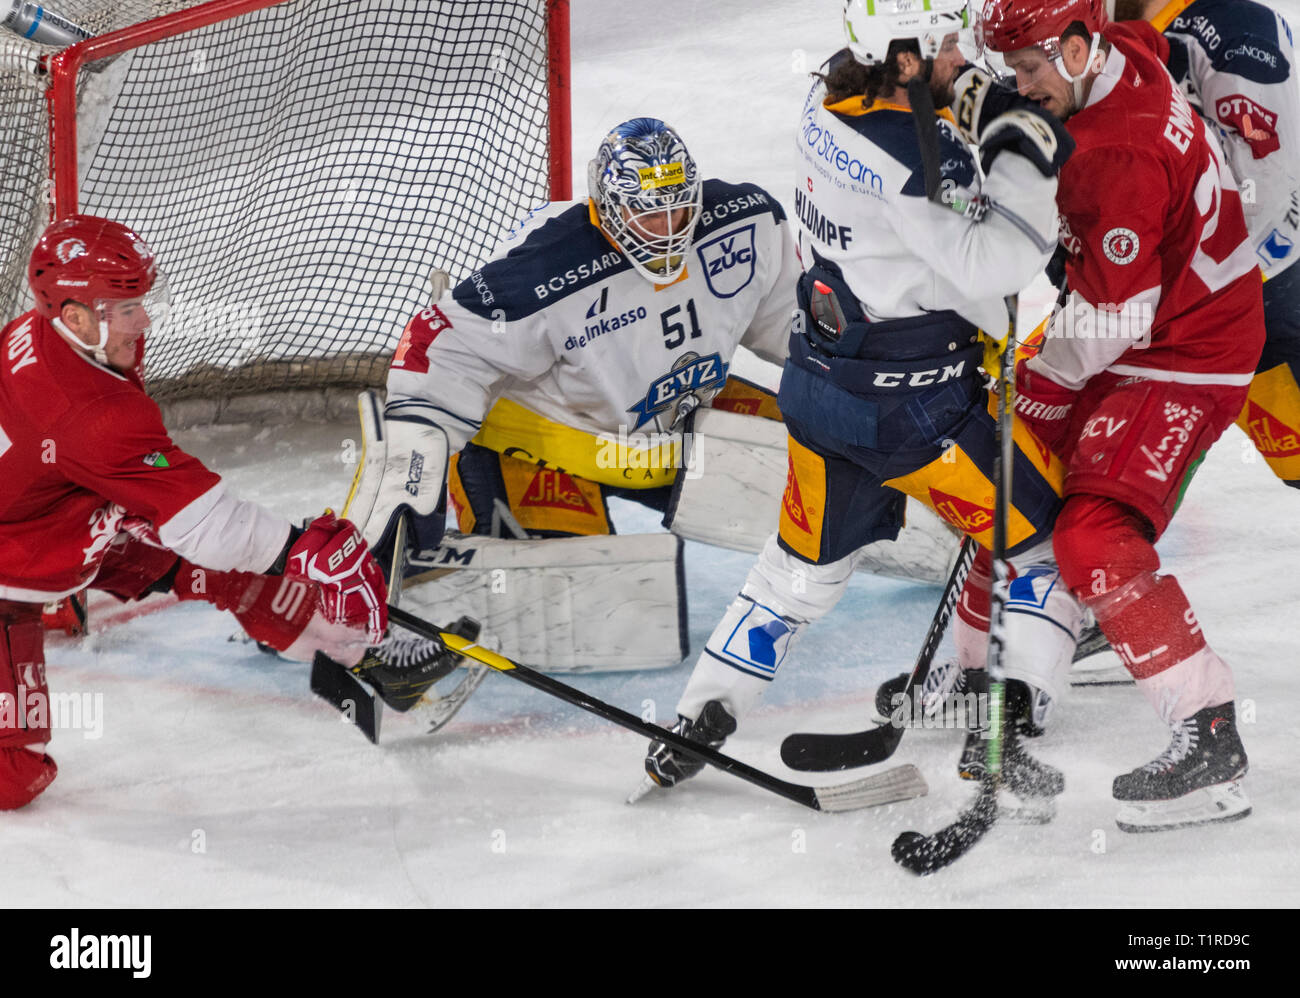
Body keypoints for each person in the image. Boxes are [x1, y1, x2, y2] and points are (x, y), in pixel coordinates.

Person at [638, 0, 1078, 801]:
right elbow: (996, 263)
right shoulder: (918, 159)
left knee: (794, 576)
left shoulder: (823, 103)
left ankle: (697, 715)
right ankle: (1004, 727)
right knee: (1047, 546)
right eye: (944, 46)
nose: (960, 57)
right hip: (918, 420)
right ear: (901, 58)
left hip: (817, 394)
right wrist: (1026, 158)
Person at [346, 118, 808, 670]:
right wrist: (413, 467)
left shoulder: (745, 222)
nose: (665, 230)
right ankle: (324, 593)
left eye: (676, 208)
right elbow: (436, 345)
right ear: (608, 207)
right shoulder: (547, 266)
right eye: (646, 212)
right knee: (612, 615)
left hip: (678, 429)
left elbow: (793, 325)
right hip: (547, 448)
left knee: (834, 451)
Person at [978, 0, 1265, 829]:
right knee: (1010, 460)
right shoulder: (1124, 52)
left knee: (1091, 532)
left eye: (1030, 70)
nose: (1020, 87)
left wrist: (1042, 384)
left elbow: (1113, 316)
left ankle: (1209, 734)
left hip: (1186, 350)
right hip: (1148, 314)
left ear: (1076, 48)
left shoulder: (1119, 152)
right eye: (1012, 71)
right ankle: (1016, 677)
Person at [0, 214, 390, 810]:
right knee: (12, 780)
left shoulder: (52, 331)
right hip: (15, 562)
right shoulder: (90, 414)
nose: (145, 319)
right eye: (126, 308)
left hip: (43, 514)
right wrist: (303, 548)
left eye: (140, 301)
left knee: (207, 564)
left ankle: (340, 641)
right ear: (76, 316)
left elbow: (119, 477)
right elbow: (206, 522)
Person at [1109, 0, 1300, 487]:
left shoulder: (1236, 29)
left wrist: (1208, 284)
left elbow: (1268, 179)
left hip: (1268, 287)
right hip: (1207, 288)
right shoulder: (1135, 33)